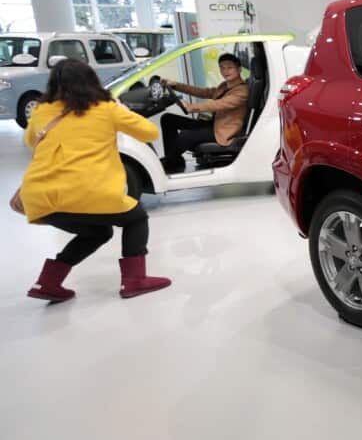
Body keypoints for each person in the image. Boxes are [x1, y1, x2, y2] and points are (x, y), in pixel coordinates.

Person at [20, 59, 172, 302]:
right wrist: (120, 109)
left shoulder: (41, 110)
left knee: (98, 232)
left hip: (40, 197)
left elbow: (31, 141)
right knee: (136, 217)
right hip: (87, 191)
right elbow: (150, 132)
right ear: (91, 81)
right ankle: (135, 280)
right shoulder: (104, 108)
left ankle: (48, 282)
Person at [159, 53, 249, 173]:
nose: (225, 71)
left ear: (239, 69)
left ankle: (170, 161)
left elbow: (219, 104)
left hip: (222, 130)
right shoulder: (224, 86)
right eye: (222, 67)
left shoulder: (242, 91)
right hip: (212, 123)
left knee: (186, 135)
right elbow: (203, 92)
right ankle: (174, 160)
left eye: (229, 67)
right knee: (168, 119)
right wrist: (175, 85)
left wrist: (192, 107)